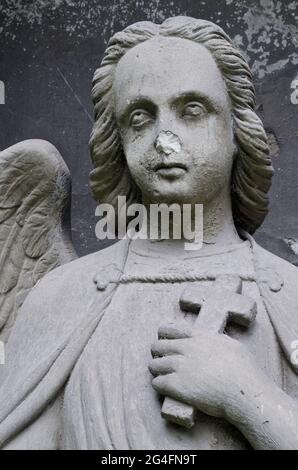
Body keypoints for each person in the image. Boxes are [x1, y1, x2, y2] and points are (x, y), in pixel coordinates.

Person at [1, 17, 298, 450]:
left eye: (192, 110)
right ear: (116, 140)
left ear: (238, 129)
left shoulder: (289, 298)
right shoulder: (62, 298)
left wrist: (245, 397)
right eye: (140, 118)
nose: (164, 140)